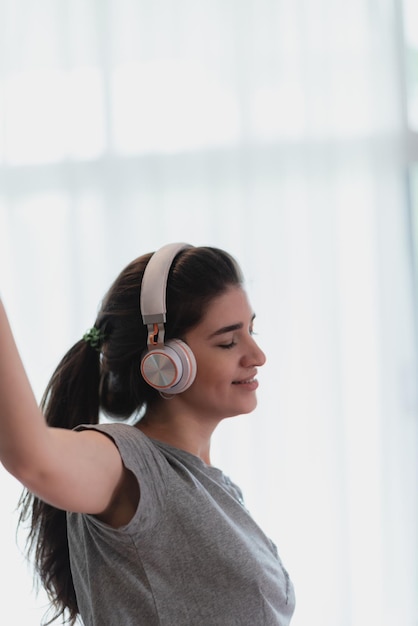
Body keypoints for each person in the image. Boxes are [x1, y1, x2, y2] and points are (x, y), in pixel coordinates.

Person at [0, 242, 295, 626]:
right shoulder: (128, 461)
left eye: (251, 330)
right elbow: (32, 459)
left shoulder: (218, 490)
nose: (257, 355)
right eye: (228, 341)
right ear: (166, 362)